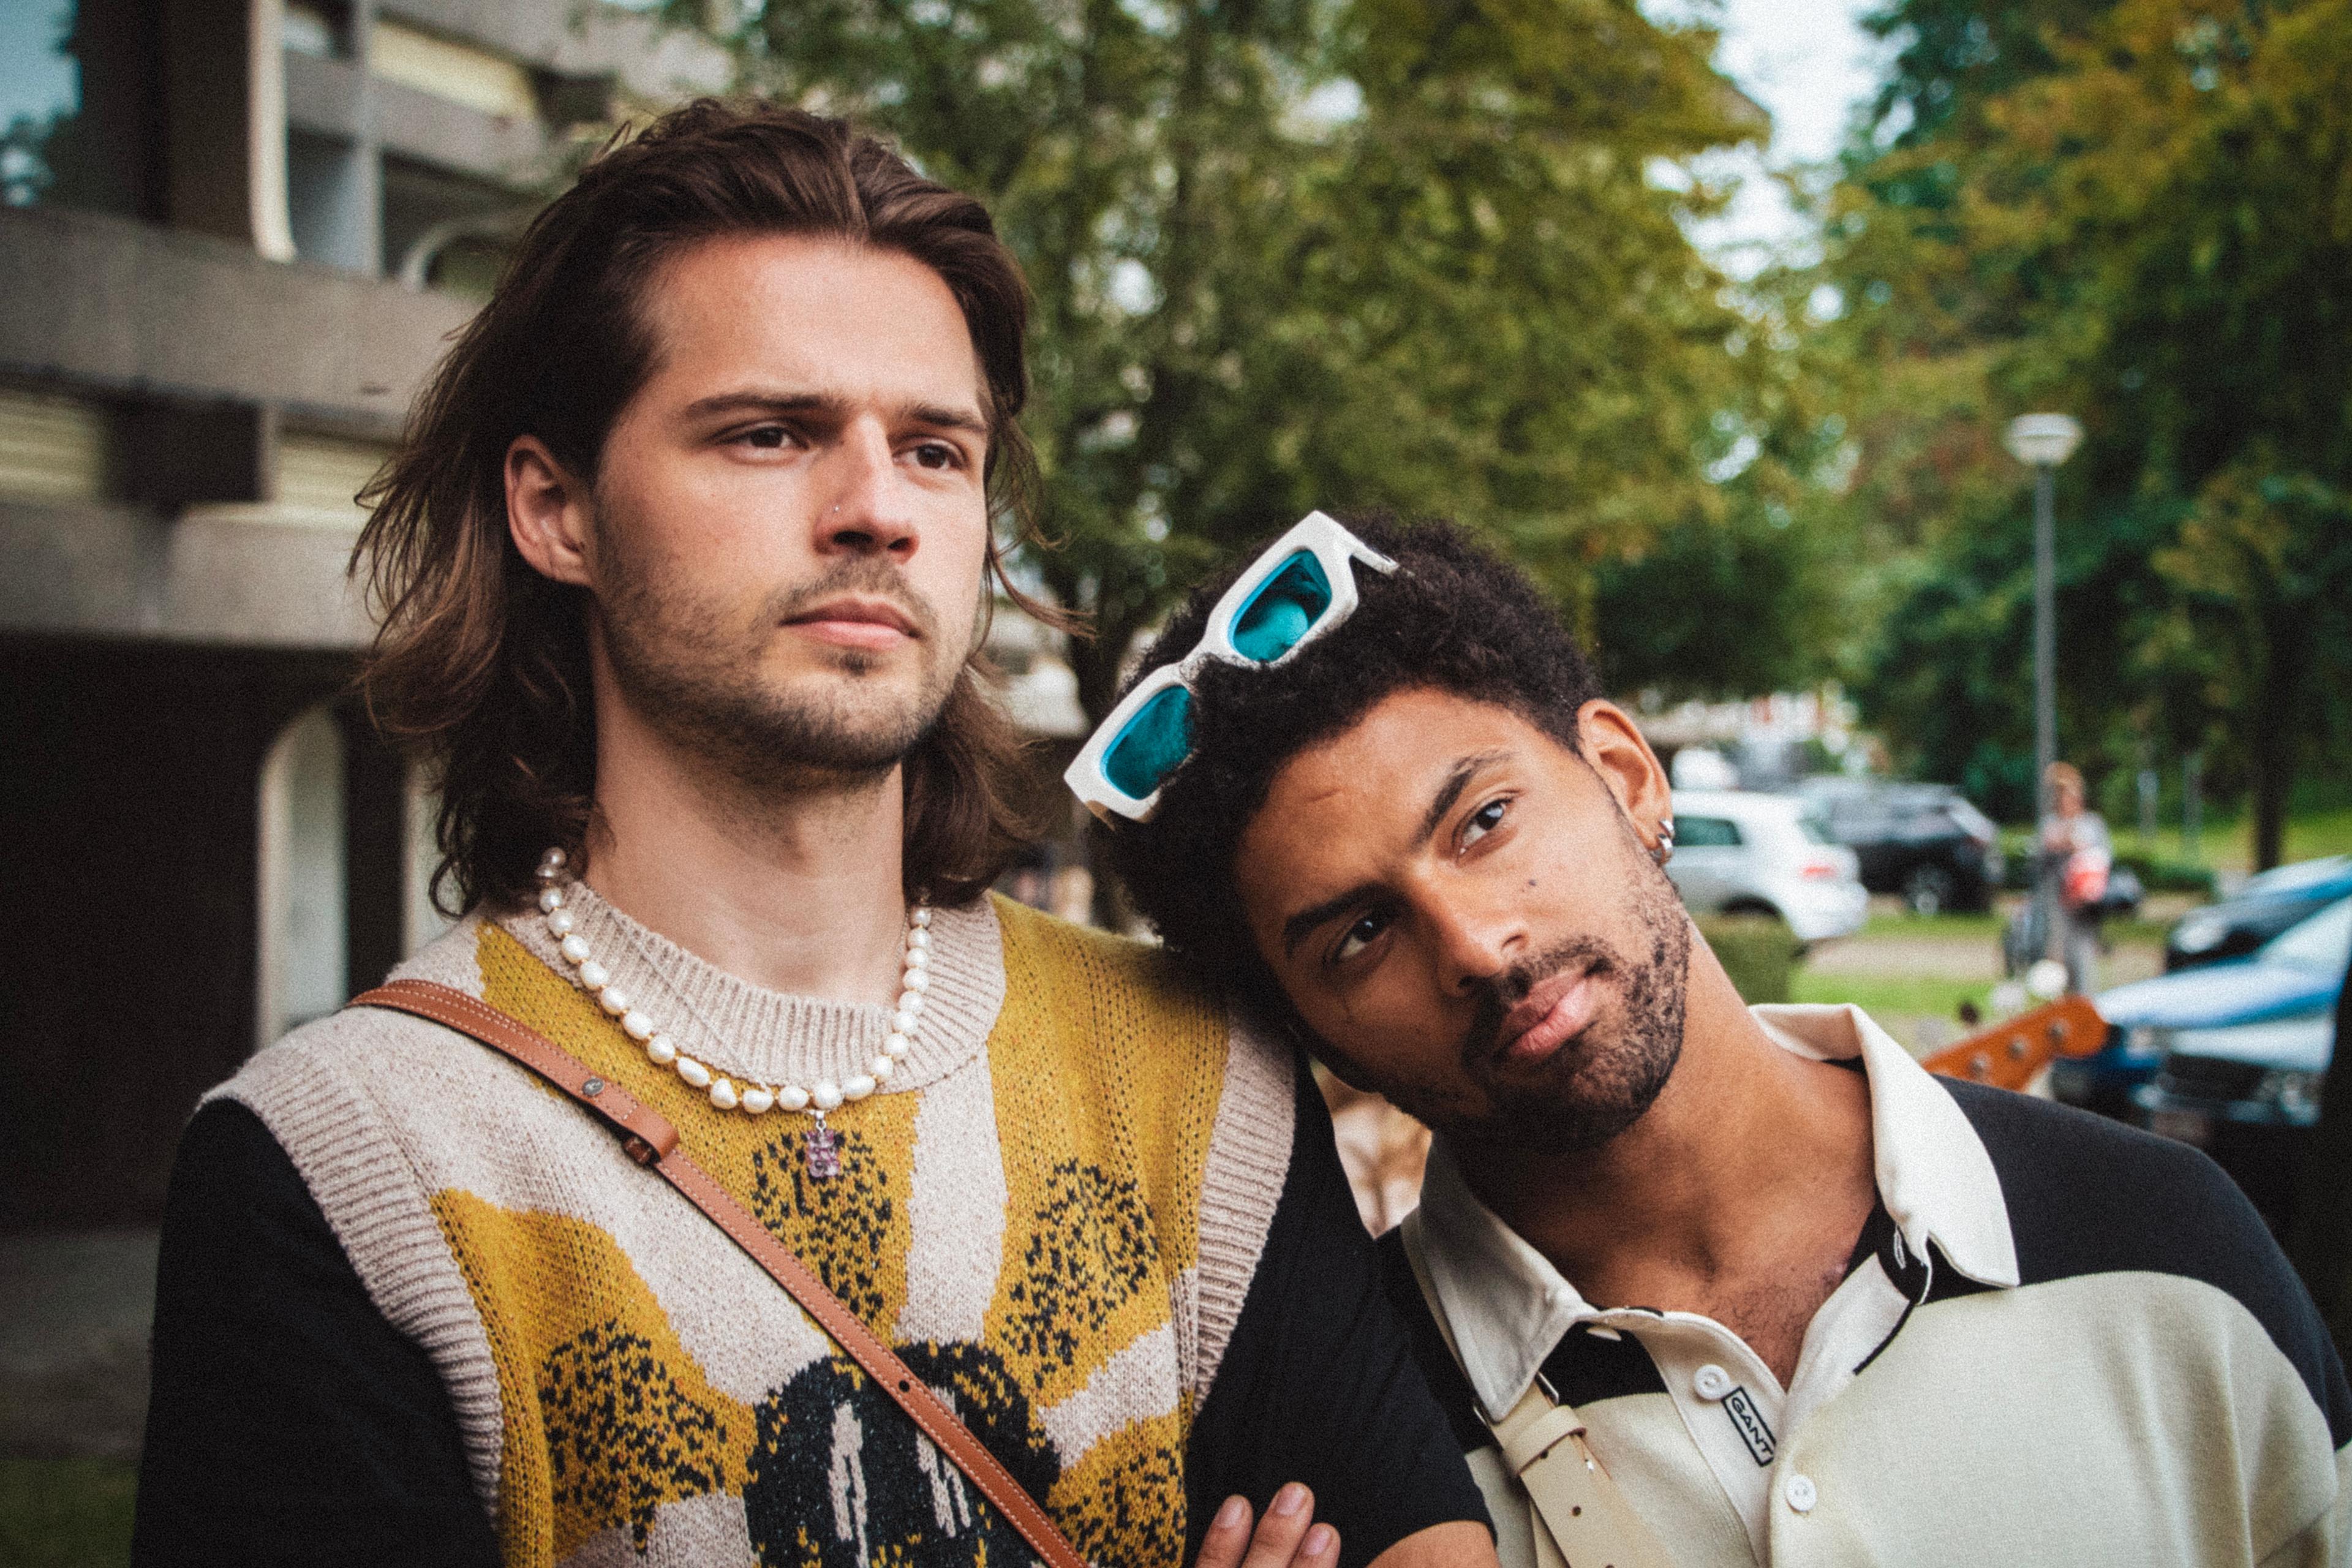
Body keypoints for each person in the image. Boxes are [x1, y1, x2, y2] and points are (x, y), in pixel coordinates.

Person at [130, 106, 1493, 1568]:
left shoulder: (1187, 1068)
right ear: (554, 507)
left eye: (932, 450)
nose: (874, 512)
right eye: (769, 434)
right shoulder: (350, 1162)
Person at [1096, 513, 2351, 1567]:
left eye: (1483, 820)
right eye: (1360, 934)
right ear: (1303, 1025)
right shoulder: (1343, 1466)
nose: (1475, 945)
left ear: (1627, 773)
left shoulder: (2160, 1243)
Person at [2040, 760, 2113, 993]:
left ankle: (2084, 1003)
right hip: (2058, 903)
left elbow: (2102, 857)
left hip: (2084, 905)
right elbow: (2046, 848)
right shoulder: (2052, 824)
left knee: (2083, 959)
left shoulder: (2093, 824)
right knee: (2057, 960)